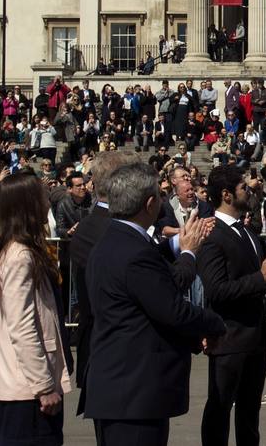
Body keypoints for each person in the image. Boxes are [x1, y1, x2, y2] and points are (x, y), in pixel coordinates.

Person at [83, 163, 226, 446]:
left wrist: (179, 245)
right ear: (149, 203)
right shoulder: (133, 252)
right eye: (159, 197)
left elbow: (150, 281)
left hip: (121, 388)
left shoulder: (115, 240)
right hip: (134, 392)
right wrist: (216, 323)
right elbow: (171, 308)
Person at [197, 165, 266, 446]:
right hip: (229, 339)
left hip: (256, 338)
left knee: (250, 412)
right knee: (219, 410)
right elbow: (217, 290)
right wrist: (261, 277)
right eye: (243, 188)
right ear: (226, 195)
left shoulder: (247, 231)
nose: (249, 191)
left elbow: (256, 281)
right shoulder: (212, 236)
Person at [0, 172, 73, 445]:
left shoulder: (20, 250)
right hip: (26, 389)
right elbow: (22, 326)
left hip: (24, 385)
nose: (47, 202)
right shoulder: (19, 256)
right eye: (42, 197)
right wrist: (43, 385)